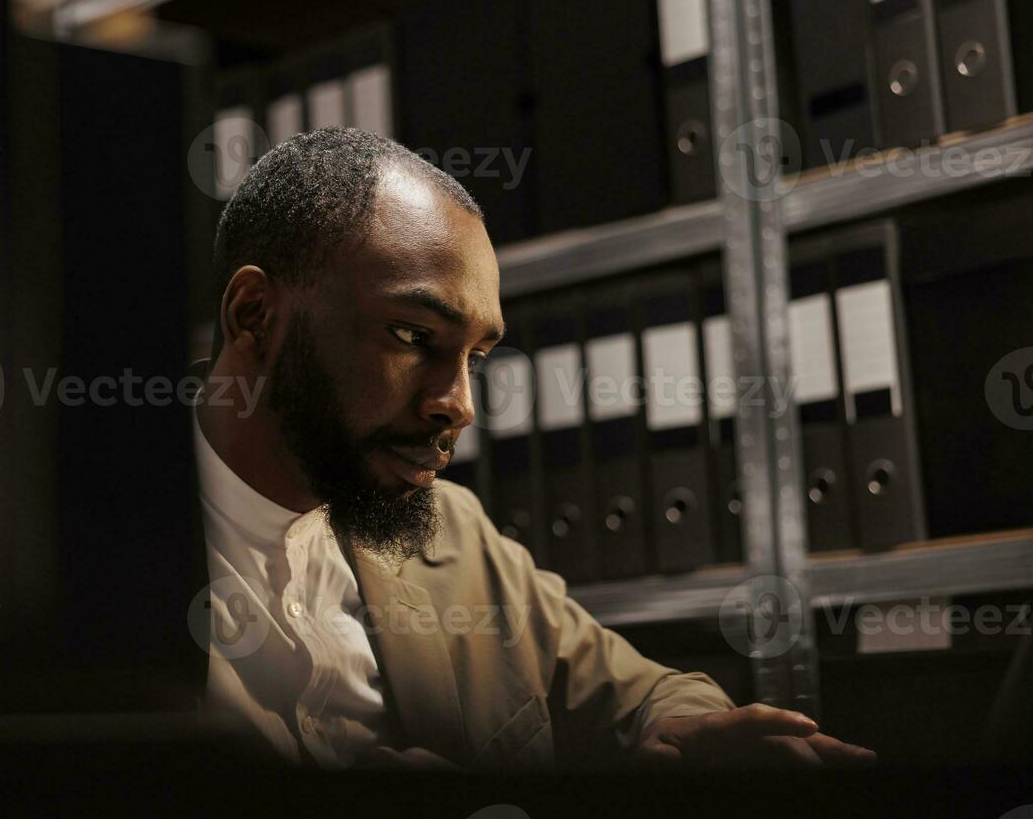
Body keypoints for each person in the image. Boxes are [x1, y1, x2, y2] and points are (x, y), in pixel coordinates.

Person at [193, 127, 875, 773]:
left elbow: (642, 695)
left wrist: (685, 734)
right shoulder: (97, 578)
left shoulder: (455, 537)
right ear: (254, 315)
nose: (458, 404)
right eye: (412, 336)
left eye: (477, 357)